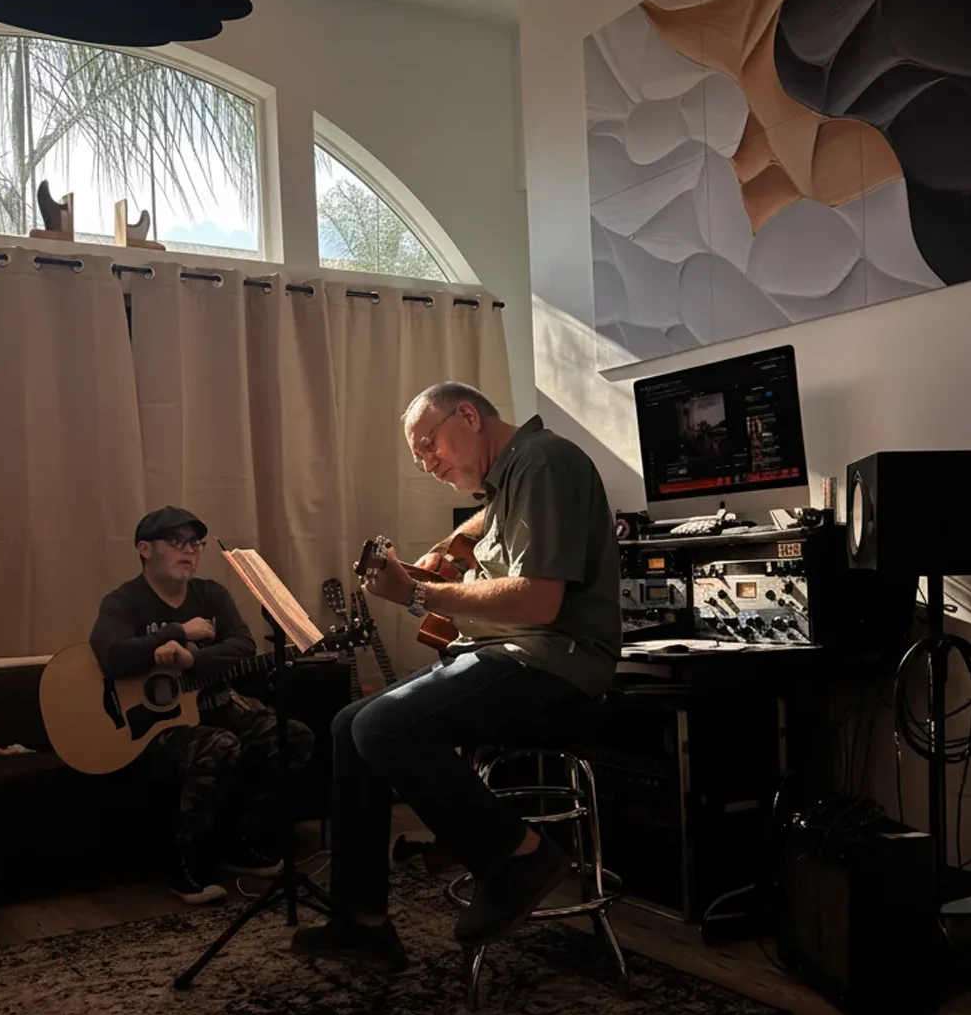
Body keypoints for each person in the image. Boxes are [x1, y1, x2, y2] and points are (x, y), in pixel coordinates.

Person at [290, 383, 621, 970]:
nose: (427, 463)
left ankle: (517, 855)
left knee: (384, 728)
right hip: (507, 653)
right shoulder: (507, 483)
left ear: (468, 415)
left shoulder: (545, 461)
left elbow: (538, 601)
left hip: (553, 663)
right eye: (418, 456)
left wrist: (416, 593)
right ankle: (361, 920)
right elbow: (488, 562)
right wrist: (431, 564)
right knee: (348, 725)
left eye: (429, 444)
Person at [90, 506, 315, 905]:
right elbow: (110, 655)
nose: (189, 551)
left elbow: (244, 644)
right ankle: (186, 867)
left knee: (293, 736)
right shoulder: (124, 602)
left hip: (214, 709)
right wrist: (175, 634)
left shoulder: (211, 594)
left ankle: (242, 844)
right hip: (147, 729)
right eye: (177, 541)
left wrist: (194, 659)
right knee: (220, 744)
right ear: (145, 549)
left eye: (195, 543)